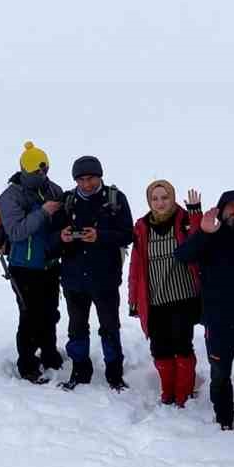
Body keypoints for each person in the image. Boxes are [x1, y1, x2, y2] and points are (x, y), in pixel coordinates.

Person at [175, 189, 234, 430]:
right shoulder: (210, 237)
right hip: (218, 322)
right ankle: (224, 417)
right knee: (220, 373)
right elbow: (183, 256)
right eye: (230, 206)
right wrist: (203, 233)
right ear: (221, 210)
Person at [56, 156, 135, 391]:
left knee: (110, 326)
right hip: (73, 278)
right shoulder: (67, 201)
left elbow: (128, 234)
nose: (86, 184)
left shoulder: (115, 198)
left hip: (105, 278)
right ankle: (80, 370)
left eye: (90, 178)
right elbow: (53, 237)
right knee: (77, 327)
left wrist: (100, 236)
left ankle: (114, 373)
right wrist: (64, 237)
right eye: (81, 180)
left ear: (100, 176)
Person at [0, 141, 66, 384]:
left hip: (49, 264)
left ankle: (49, 354)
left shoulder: (53, 189)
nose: (42, 175)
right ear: (25, 170)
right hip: (23, 267)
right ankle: (26, 363)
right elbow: (15, 231)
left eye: (45, 170)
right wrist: (44, 212)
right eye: (37, 172)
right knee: (30, 315)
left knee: (50, 312)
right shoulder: (10, 197)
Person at [129, 181, 204, 407]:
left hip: (183, 297)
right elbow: (136, 267)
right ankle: (167, 392)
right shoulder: (142, 228)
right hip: (155, 300)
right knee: (159, 349)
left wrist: (195, 212)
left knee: (181, 346)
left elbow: (200, 241)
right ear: (149, 201)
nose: (160, 203)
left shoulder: (184, 221)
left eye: (165, 197)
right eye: (155, 198)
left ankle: (184, 393)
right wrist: (134, 299)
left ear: (172, 198)